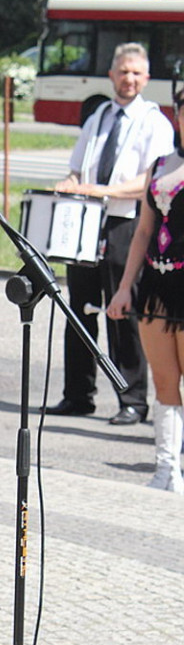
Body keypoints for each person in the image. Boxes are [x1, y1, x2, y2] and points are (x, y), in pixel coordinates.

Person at [46, 43, 174, 425]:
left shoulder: (155, 122)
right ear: (111, 74)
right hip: (85, 224)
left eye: (136, 73)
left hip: (126, 225)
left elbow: (153, 181)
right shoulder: (98, 116)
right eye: (123, 71)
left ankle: (132, 400)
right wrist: (68, 184)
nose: (129, 79)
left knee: (122, 312)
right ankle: (78, 394)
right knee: (78, 310)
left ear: (147, 79)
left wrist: (106, 192)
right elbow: (77, 169)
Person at [107, 87, 184, 492]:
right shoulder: (160, 166)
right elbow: (143, 231)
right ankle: (166, 469)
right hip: (156, 284)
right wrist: (124, 289)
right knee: (164, 380)